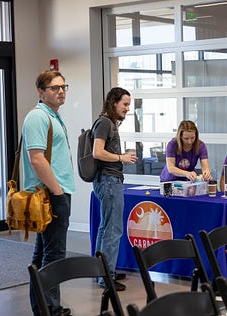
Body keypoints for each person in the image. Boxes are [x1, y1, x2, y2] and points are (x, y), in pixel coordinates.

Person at [25, 70, 75, 316]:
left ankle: (43, 307)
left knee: (43, 255)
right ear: (41, 92)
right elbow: (36, 159)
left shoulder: (52, 115)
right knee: (54, 257)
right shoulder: (37, 117)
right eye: (55, 88)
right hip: (51, 194)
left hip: (56, 192)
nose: (61, 91)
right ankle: (50, 310)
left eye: (63, 86)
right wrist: (56, 192)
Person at [92, 87, 137, 292]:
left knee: (106, 227)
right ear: (114, 103)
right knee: (113, 229)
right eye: (125, 104)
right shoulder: (104, 123)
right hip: (109, 181)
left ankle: (101, 271)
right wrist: (121, 158)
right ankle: (106, 276)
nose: (127, 109)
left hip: (109, 180)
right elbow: (97, 152)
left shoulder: (108, 123)